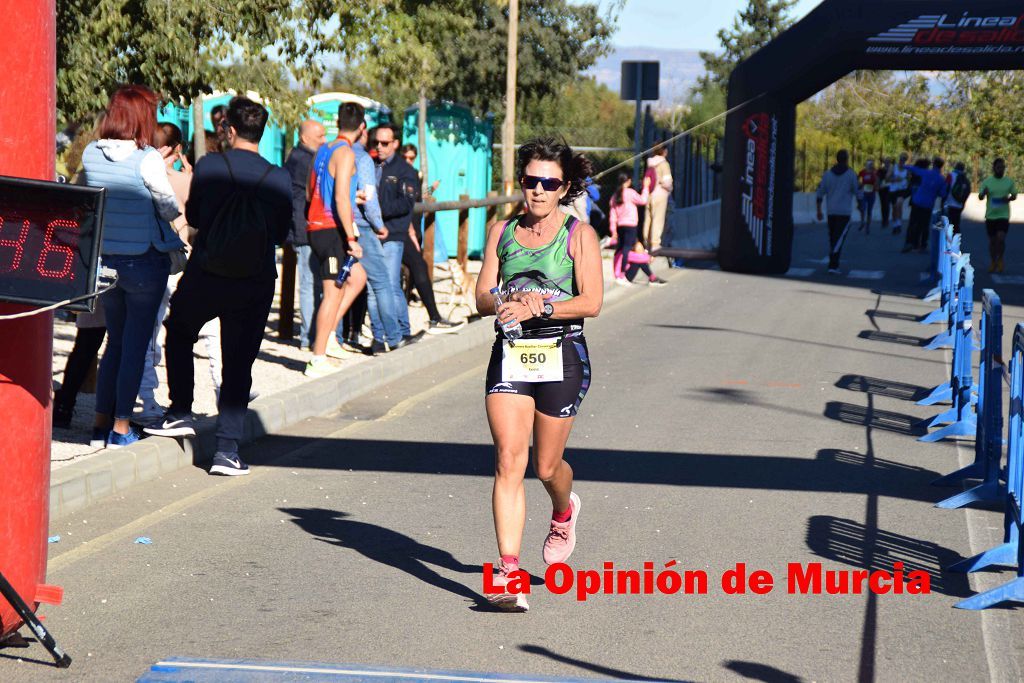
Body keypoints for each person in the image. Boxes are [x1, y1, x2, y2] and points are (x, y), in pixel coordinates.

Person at [475, 138, 603, 611]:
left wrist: (543, 304)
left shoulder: (579, 235)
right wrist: (506, 300)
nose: (538, 191)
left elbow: (591, 301)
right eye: (530, 181)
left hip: (562, 351)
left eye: (549, 183)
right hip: (511, 351)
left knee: (545, 467)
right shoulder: (501, 232)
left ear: (564, 187)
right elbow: (482, 297)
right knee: (510, 459)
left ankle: (564, 511)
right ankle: (509, 574)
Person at [145, 96, 292, 476]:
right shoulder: (277, 176)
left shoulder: (210, 166)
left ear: (228, 129)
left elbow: (194, 216)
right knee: (238, 362)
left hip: (207, 271)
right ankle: (227, 450)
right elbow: (280, 232)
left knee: (179, 331)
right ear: (262, 131)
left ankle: (179, 409)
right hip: (255, 279)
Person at [82, 84, 185, 449]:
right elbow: (168, 207)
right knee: (135, 345)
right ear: (142, 116)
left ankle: (99, 423)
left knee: (114, 342)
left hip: (106, 262)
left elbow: (85, 198)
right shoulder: (148, 158)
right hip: (144, 261)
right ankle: (121, 427)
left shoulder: (91, 153)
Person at [373, 124, 464, 343]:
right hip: (397, 231)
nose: (410, 160)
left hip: (405, 229)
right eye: (407, 156)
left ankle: (404, 327)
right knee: (395, 280)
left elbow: (413, 200)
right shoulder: (381, 168)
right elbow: (409, 202)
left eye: (413, 157)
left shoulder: (407, 172)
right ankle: (396, 329)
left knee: (406, 275)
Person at [303, 102, 371, 377]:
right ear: (362, 127)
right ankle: (316, 359)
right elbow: (341, 196)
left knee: (358, 278)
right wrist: (352, 237)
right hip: (330, 228)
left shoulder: (324, 148)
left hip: (320, 223)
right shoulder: (345, 153)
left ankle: (329, 334)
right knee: (332, 293)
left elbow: (313, 190)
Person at [138, 121, 194, 421]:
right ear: (173, 149)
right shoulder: (178, 179)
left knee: (144, 332)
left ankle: (145, 396)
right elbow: (184, 214)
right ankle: (148, 397)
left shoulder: (136, 169)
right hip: (170, 259)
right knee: (155, 331)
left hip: (136, 256)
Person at [340, 124, 405, 353]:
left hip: (337, 224)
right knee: (381, 284)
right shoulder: (362, 158)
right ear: (361, 129)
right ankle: (393, 337)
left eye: (384, 143)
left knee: (339, 283)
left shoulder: (329, 151)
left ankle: (335, 337)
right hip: (362, 227)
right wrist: (379, 225)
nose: (378, 145)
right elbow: (369, 197)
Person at [284, 119, 326, 350]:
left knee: (314, 283)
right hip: (305, 228)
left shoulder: (299, 157)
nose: (324, 140)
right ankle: (309, 336)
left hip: (304, 226)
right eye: (319, 136)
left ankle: (311, 334)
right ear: (304, 138)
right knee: (311, 284)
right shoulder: (304, 161)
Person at [815, 149, 858, 275]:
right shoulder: (851, 174)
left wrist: (818, 210)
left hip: (831, 212)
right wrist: (861, 206)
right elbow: (858, 191)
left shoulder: (827, 174)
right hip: (844, 212)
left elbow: (820, 193)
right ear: (847, 159)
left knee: (833, 237)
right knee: (838, 239)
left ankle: (833, 263)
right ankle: (833, 265)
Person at [608, 172, 650, 285]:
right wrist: (645, 187)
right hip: (631, 225)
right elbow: (643, 200)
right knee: (627, 248)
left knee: (620, 249)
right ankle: (622, 275)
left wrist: (613, 231)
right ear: (628, 181)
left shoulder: (614, 196)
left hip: (620, 225)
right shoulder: (630, 193)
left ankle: (617, 273)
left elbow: (613, 216)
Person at [979, 158, 1018, 273]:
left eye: (1002, 167)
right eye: (998, 167)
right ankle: (993, 261)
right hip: (990, 216)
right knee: (992, 241)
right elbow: (980, 197)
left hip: (1003, 215)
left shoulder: (1009, 182)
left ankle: (1000, 259)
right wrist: (984, 193)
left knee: (1000, 238)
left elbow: (1014, 195)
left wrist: (1009, 198)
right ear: (994, 168)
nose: (1001, 170)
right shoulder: (987, 182)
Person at [902, 157, 948, 253]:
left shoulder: (926, 172)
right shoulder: (941, 179)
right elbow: (943, 194)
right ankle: (922, 244)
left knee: (913, 222)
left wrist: (904, 164)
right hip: (928, 204)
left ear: (934, 164)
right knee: (924, 224)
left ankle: (909, 242)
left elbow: (913, 169)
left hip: (917, 201)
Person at [643, 144, 673, 251]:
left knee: (648, 218)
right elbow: (667, 182)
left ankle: (646, 242)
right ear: (664, 151)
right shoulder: (664, 164)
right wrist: (670, 188)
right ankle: (655, 243)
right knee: (658, 218)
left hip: (649, 193)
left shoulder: (650, 163)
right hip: (660, 194)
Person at [945, 161, 971, 236]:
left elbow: (946, 187)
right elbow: (967, 191)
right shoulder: (964, 178)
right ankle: (956, 239)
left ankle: (949, 240)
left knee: (949, 222)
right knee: (956, 223)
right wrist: (963, 201)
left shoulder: (950, 175)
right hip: (959, 204)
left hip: (949, 202)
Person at [888, 153, 910, 235]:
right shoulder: (893, 167)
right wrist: (894, 179)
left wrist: (907, 183)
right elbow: (887, 178)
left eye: (904, 159)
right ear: (899, 159)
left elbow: (909, 178)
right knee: (894, 208)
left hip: (902, 190)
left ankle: (899, 224)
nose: (902, 161)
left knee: (899, 204)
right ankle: (895, 225)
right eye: (901, 159)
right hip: (893, 190)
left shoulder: (907, 169)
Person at [857, 159, 878, 234]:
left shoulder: (874, 173)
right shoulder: (862, 172)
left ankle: (867, 227)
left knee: (869, 210)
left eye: (871, 164)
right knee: (862, 208)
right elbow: (858, 179)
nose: (869, 166)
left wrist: (875, 185)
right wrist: (859, 185)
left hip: (871, 194)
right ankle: (862, 222)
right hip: (864, 193)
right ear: (866, 165)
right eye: (868, 164)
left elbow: (876, 183)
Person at [877, 158, 891, 230]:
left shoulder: (892, 171)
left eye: (888, 162)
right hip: (882, 189)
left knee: (887, 204)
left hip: (889, 189)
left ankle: (886, 220)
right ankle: (884, 220)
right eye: (886, 162)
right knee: (883, 205)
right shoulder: (880, 170)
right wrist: (878, 186)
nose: (887, 163)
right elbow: (878, 178)